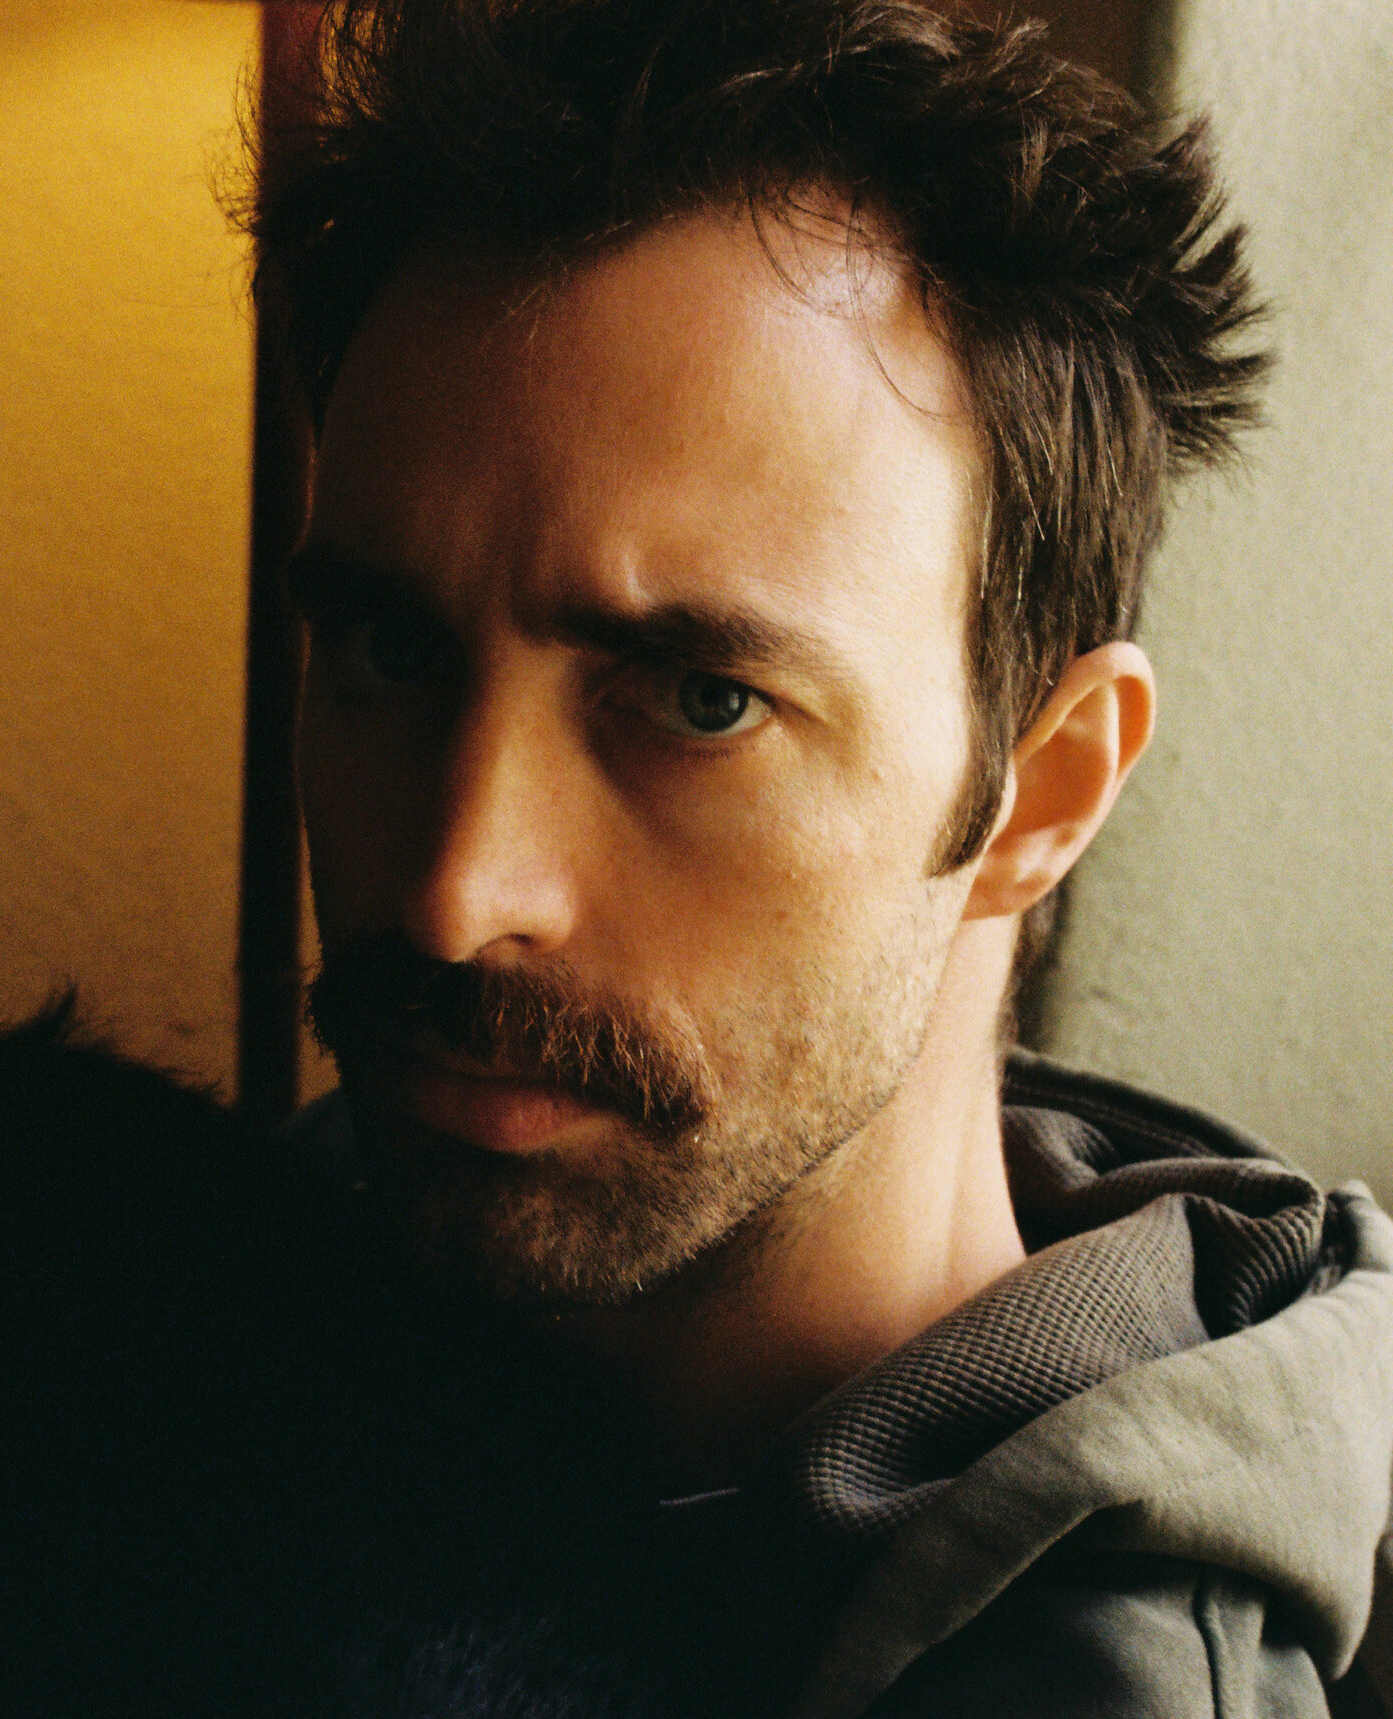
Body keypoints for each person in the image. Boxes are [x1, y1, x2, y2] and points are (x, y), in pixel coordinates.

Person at [255, 0, 1393, 1712]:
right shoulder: (157, 1323)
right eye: (391, 653)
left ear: (1043, 788)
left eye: (701, 701)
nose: (453, 889)